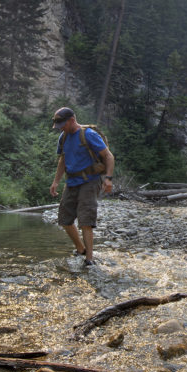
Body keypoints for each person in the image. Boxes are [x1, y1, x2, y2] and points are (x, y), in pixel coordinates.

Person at [49, 107, 114, 266]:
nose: (61, 129)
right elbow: (62, 160)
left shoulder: (89, 135)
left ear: (72, 120)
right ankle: (80, 248)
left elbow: (108, 156)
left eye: (63, 125)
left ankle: (89, 259)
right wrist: (56, 181)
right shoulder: (63, 137)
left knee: (85, 220)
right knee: (64, 219)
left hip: (90, 181)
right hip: (71, 182)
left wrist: (108, 178)